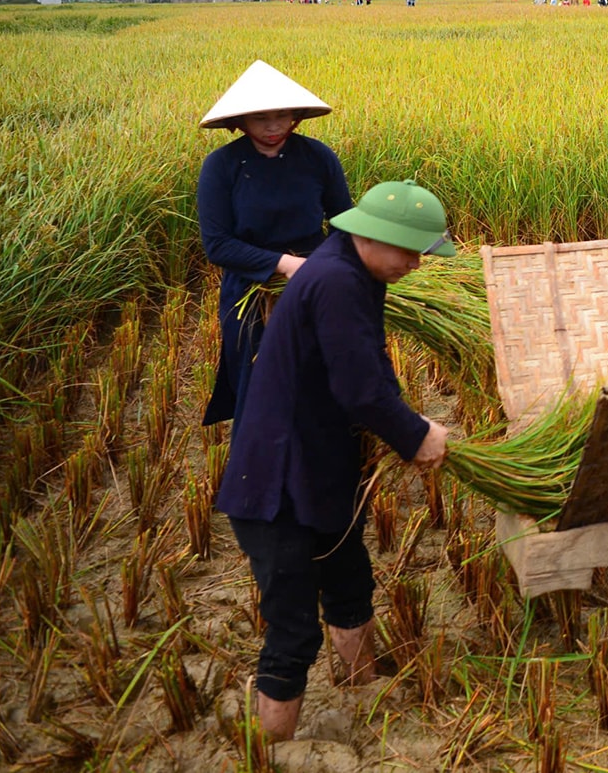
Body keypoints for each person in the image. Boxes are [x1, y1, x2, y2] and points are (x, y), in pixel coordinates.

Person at [217, 179, 454, 742]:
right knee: (293, 627)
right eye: (410, 250)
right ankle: (274, 747)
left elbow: (369, 362)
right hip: (277, 480)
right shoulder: (336, 281)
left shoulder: (355, 271)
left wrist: (405, 421)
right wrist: (414, 434)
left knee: (349, 581)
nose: (416, 264)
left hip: (319, 464)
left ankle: (360, 692)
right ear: (373, 236)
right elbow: (359, 390)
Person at [197, 62, 351, 427]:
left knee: (328, 379)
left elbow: (343, 219)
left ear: (297, 116)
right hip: (251, 285)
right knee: (261, 386)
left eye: (282, 115)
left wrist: (349, 261)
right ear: (240, 122)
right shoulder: (221, 166)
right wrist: (284, 264)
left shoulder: (318, 157)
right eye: (260, 117)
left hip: (316, 281)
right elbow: (217, 245)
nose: (273, 126)